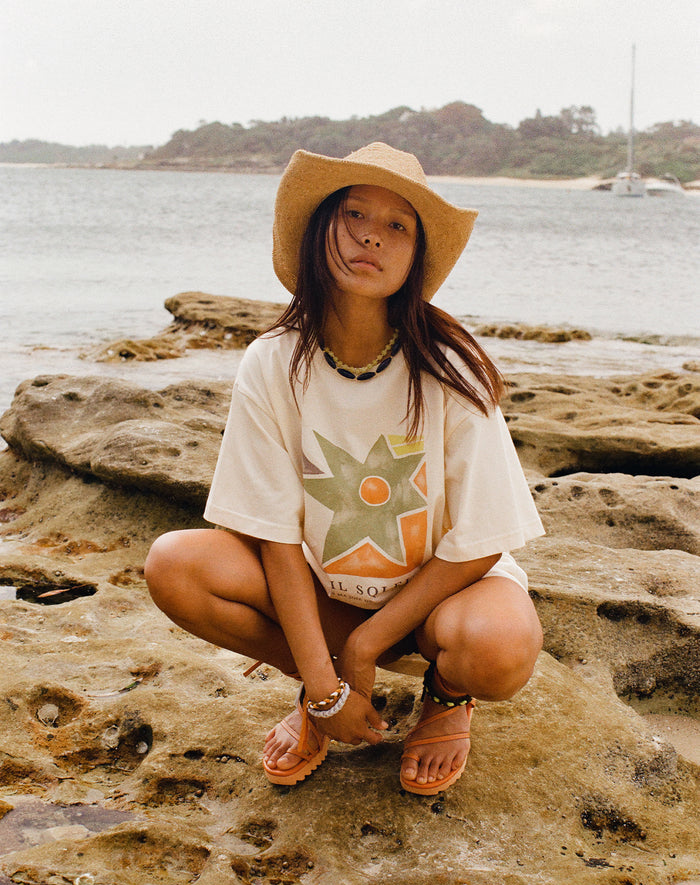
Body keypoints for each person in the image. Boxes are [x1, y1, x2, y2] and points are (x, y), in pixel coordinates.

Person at [145, 142, 545, 796]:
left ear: (415, 257)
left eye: (397, 225)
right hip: (326, 601)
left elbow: (482, 541)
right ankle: (321, 689)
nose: (372, 235)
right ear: (318, 230)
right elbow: (274, 538)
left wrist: (365, 650)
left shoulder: (449, 368)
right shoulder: (273, 363)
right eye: (354, 214)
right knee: (174, 565)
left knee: (500, 646)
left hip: (436, 608)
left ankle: (445, 698)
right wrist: (326, 688)